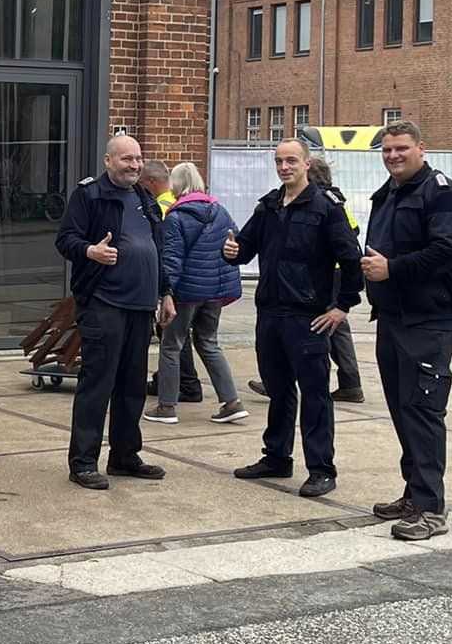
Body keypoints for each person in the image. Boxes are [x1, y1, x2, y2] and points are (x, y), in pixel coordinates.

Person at [222, 137, 361, 497]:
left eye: (291, 162)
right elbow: (245, 248)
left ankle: (321, 469)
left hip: (308, 317)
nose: (285, 168)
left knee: (315, 394)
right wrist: (232, 251)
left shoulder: (325, 207)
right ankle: (277, 457)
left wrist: (341, 307)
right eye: (279, 162)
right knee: (279, 391)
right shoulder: (270, 205)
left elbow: (351, 259)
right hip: (270, 314)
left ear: (305, 164)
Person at [360, 120, 452, 541]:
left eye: (401, 149)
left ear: (421, 148)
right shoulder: (388, 193)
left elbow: (446, 251)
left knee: (423, 410)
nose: (393, 156)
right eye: (387, 150)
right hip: (393, 316)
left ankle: (430, 509)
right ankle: (413, 493)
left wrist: (392, 269)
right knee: (402, 408)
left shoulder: (442, 193)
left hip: (430, 318)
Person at [54, 133, 175, 490]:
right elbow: (65, 239)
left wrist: (165, 293)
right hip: (104, 303)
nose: (135, 165)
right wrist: (90, 251)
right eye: (126, 159)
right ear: (108, 161)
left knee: (132, 386)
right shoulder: (89, 195)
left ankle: (124, 456)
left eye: (138, 159)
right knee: (97, 384)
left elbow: (158, 249)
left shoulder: (145, 198)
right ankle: (84, 462)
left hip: (141, 306)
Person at [248, 157, 366, 403]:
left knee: (330, 328)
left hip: (323, 275)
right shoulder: (331, 201)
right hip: (325, 275)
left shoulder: (324, 203)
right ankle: (348, 382)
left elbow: (348, 243)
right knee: (333, 329)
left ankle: (347, 382)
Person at [149, 161, 249, 425]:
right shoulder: (221, 211)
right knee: (209, 343)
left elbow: (171, 258)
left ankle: (166, 407)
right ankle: (231, 402)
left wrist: (165, 292)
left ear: (176, 185)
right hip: (215, 291)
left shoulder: (175, 216)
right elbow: (235, 242)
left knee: (171, 345)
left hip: (186, 292)